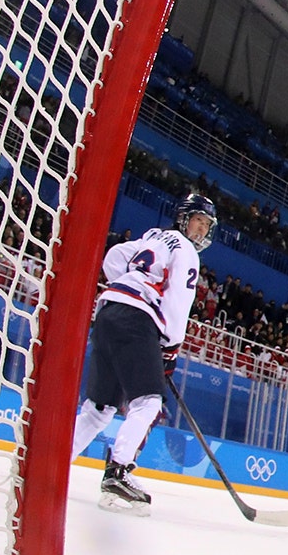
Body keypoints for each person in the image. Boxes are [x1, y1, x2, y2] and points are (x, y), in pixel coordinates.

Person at [69, 193, 216, 514]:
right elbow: (178, 300)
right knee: (148, 402)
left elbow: (114, 257)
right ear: (183, 218)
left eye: (206, 225)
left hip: (108, 309)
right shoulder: (188, 252)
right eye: (198, 221)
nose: (201, 230)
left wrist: (129, 285)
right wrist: (170, 348)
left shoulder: (153, 236)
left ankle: (53, 462)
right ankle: (118, 474)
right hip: (137, 319)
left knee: (100, 409)